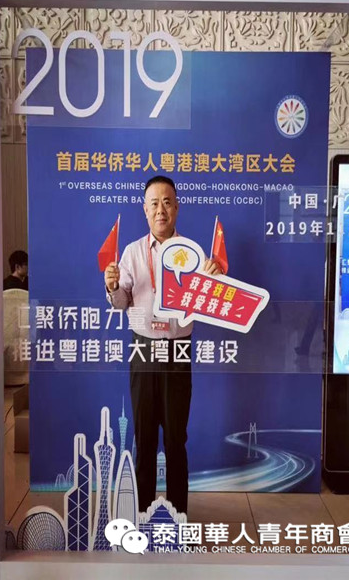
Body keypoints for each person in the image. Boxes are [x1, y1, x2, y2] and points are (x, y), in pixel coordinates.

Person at [104, 175, 222, 514]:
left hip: (177, 350)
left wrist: (212, 283)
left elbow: (206, 304)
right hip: (143, 348)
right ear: (145, 210)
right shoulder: (132, 252)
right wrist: (112, 286)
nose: (161, 210)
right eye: (154, 203)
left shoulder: (193, 253)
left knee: (175, 440)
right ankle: (142, 515)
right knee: (144, 438)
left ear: (177, 208)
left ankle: (178, 517)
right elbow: (121, 303)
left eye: (167, 202)